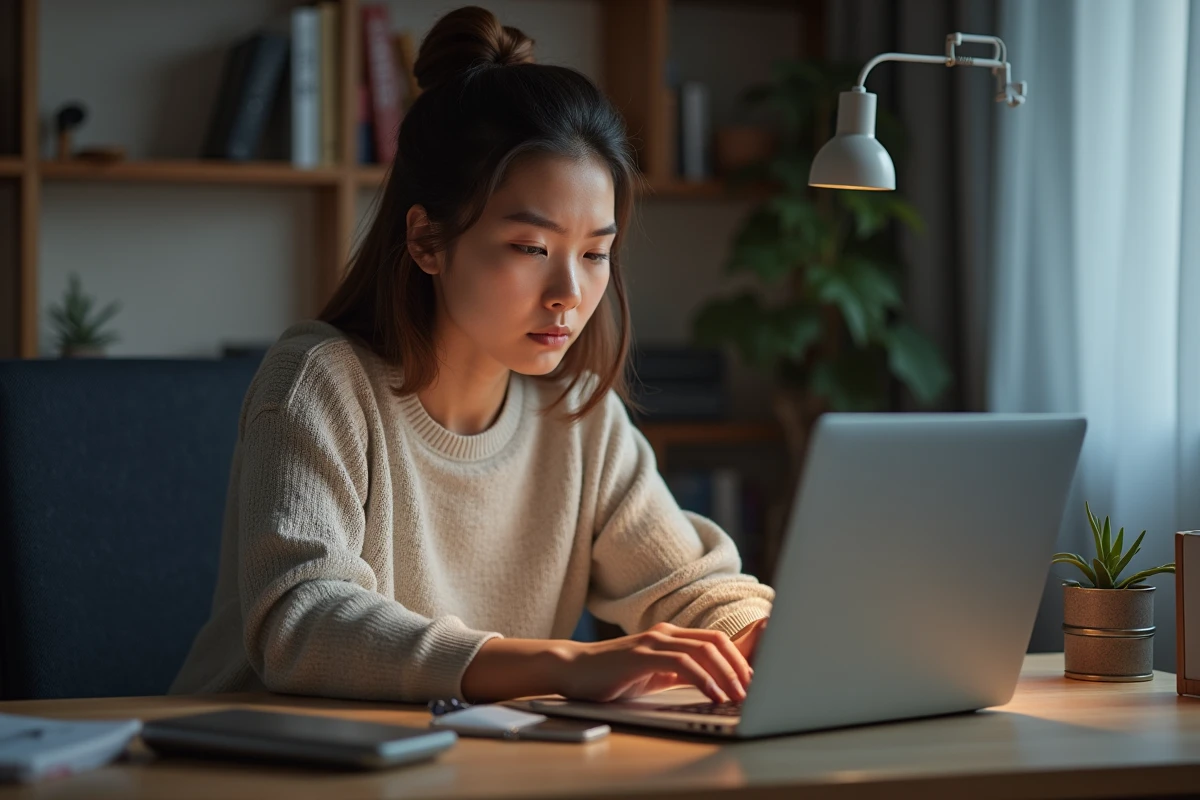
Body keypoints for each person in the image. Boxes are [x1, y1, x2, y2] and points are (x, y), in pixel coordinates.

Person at [171, 5, 773, 706]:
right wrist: (563, 665)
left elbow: (689, 588)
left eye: (595, 254)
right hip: (258, 757)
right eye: (530, 249)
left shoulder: (578, 415)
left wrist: (764, 634)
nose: (569, 295)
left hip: (460, 759)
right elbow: (303, 620)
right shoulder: (322, 382)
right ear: (427, 241)